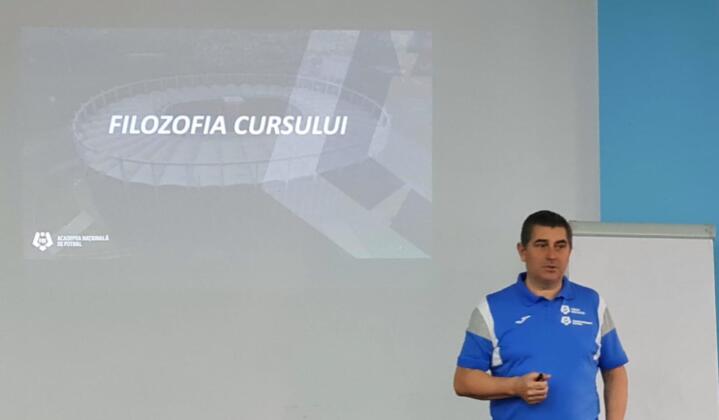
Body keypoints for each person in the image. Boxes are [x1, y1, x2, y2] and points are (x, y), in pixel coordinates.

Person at [454, 210, 628, 420]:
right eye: (541, 245)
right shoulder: (491, 309)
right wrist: (515, 387)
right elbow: (463, 380)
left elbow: (614, 371)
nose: (552, 255)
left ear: (570, 251)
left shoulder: (593, 303)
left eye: (560, 246)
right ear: (522, 251)